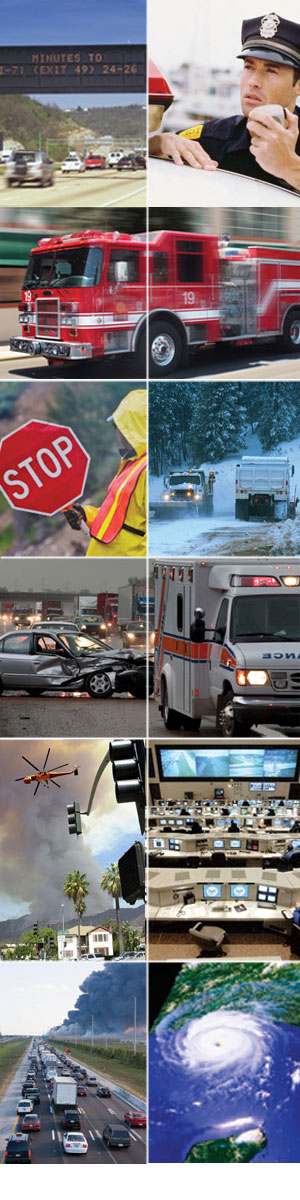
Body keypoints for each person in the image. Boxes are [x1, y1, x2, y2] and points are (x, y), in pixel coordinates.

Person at [150, 14, 300, 191]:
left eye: (271, 71)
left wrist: (289, 167)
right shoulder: (215, 137)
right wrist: (159, 142)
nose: (253, 81)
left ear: (298, 85)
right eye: (249, 67)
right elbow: (141, 159)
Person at [64, 389, 147, 557]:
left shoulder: (147, 470)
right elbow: (120, 518)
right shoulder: (131, 464)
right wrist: (85, 515)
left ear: (131, 428)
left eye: (118, 426)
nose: (117, 432)